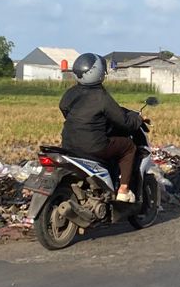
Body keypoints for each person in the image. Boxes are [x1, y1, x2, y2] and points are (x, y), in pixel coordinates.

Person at [59, 51, 144, 202]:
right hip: (94, 146)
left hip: (68, 144)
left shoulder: (71, 93)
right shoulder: (101, 96)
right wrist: (138, 120)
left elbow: (64, 108)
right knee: (129, 147)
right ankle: (123, 190)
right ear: (98, 73)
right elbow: (124, 122)